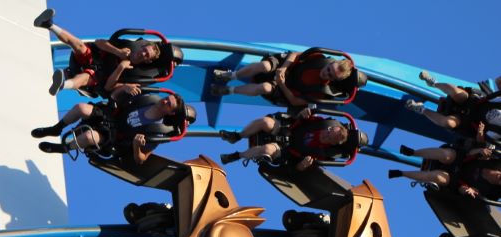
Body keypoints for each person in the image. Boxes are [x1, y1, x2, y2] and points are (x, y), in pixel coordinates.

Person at [31, 88, 193, 164]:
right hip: (111, 117)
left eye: (168, 104)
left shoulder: (157, 132)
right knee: (81, 107)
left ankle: (62, 148)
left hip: (115, 137)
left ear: (170, 113)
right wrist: (124, 88)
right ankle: (56, 128)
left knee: (88, 137)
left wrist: (137, 146)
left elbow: (141, 159)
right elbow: (115, 96)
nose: (164, 101)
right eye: (167, 98)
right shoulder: (147, 98)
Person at [33, 8, 163, 96]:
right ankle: (48, 24)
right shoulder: (127, 46)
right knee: (80, 45)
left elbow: (108, 87)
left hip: (97, 80)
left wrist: (121, 67)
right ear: (141, 47)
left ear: (148, 60)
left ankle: (62, 84)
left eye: (147, 55)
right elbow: (99, 42)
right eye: (144, 50)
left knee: (86, 77)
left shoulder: (136, 75)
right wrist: (118, 52)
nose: (143, 53)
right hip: (93, 59)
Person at [218, 109, 359, 170]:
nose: (326, 134)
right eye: (329, 131)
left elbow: (296, 168)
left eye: (329, 137)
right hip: (288, 129)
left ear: (332, 144)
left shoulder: (320, 155)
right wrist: (302, 114)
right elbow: (298, 117)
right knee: (265, 122)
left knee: (267, 149)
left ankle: (236, 156)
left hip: (287, 151)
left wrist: (301, 166)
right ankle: (237, 136)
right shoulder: (320, 122)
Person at [211, 49, 358, 106]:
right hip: (286, 67)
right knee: (265, 66)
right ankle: (230, 75)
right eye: (328, 69)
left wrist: (282, 84)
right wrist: (284, 67)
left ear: (334, 80)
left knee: (265, 87)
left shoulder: (321, 92)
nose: (326, 73)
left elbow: (295, 101)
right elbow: (294, 54)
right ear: (330, 63)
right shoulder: (319, 58)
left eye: (330, 75)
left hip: (285, 88)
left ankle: (228, 90)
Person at [389, 148, 501, 200]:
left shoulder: (487, 189)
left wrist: (467, 191)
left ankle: (401, 173)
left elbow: (466, 190)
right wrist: (479, 151)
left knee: (438, 176)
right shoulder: (495, 162)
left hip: (456, 179)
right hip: (459, 159)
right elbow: (471, 152)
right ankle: (413, 153)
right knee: (445, 155)